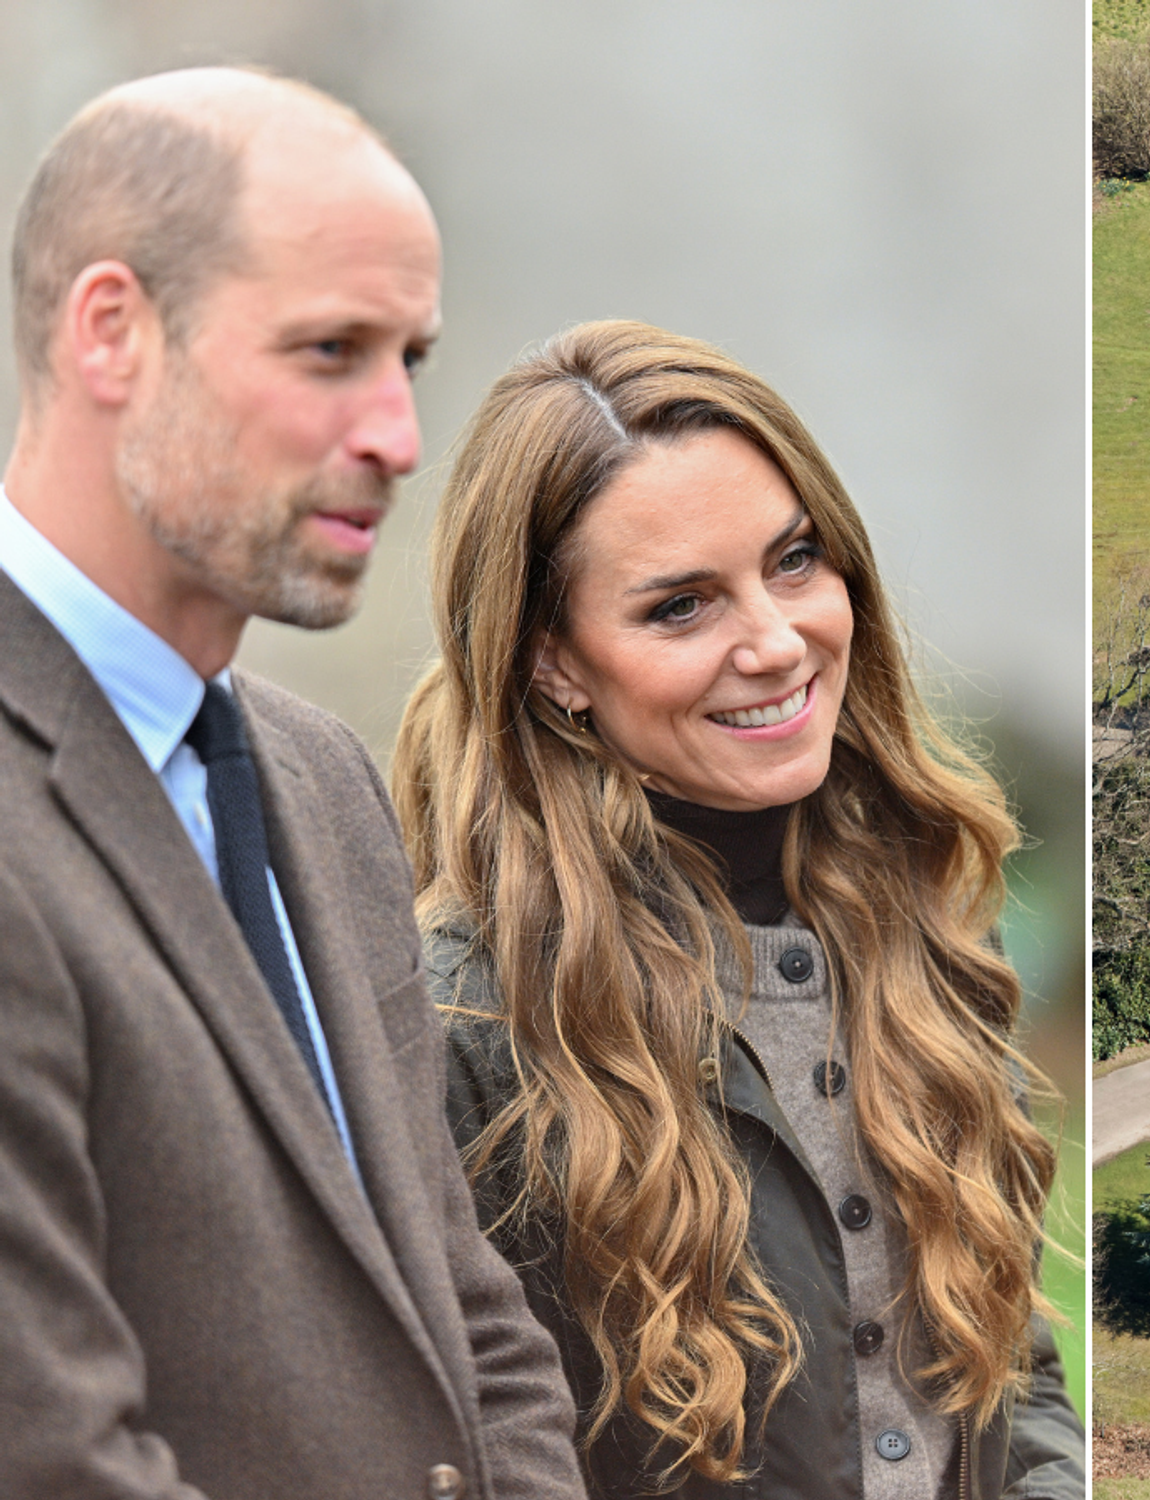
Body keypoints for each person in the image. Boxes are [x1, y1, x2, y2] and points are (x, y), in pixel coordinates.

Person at [0, 69, 584, 1500]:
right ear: (112, 332)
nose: (397, 436)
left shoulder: (320, 779)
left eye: (409, 361)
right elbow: (51, 1456)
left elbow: (467, 1316)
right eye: (330, 352)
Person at [392, 320, 1085, 1500]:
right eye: (679, 608)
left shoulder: (922, 946)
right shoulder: (460, 1034)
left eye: (796, 560)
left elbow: (1012, 1382)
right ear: (554, 664)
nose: (774, 641)